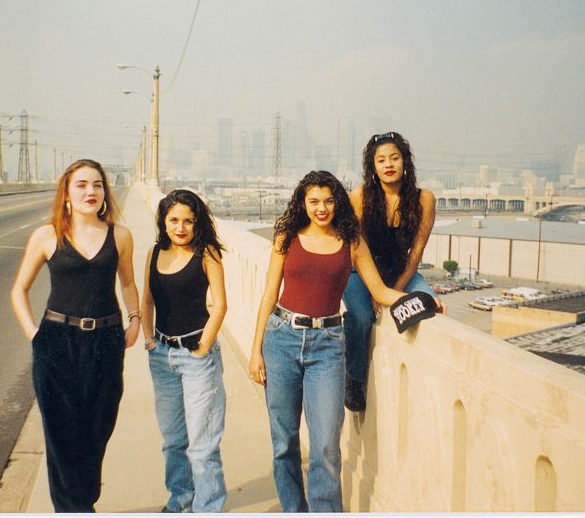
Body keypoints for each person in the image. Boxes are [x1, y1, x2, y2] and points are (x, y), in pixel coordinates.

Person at [248, 170, 410, 513]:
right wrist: (256, 350)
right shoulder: (286, 236)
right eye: (314, 201)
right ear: (302, 204)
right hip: (281, 340)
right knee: (284, 442)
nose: (322, 209)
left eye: (328, 201)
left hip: (328, 345)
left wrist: (423, 300)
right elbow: (268, 294)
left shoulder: (352, 240)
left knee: (325, 448)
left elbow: (379, 290)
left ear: (337, 202)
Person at [11, 158, 141, 512]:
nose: (90, 191)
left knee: (98, 430)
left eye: (97, 184)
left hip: (106, 342)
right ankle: (75, 509)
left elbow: (127, 283)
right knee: (60, 438)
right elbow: (19, 290)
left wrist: (135, 319)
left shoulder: (120, 235)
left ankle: (83, 501)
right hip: (57, 344)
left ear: (105, 192)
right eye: (81, 184)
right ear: (66, 193)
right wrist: (35, 336)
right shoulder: (47, 235)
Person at [140, 189, 228, 513]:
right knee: (173, 441)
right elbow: (147, 300)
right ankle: (180, 501)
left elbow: (220, 304)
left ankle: (208, 508)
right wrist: (149, 340)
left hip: (197, 359)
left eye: (188, 221)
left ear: (197, 223)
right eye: (174, 220)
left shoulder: (207, 254)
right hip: (162, 357)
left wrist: (203, 348)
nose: (181, 228)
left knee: (203, 445)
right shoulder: (153, 253)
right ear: (164, 221)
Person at [342, 131, 444, 412]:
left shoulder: (425, 199)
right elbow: (355, 250)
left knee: (430, 305)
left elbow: (417, 253)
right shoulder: (360, 197)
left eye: (394, 158)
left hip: (403, 272)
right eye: (381, 160)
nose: (388, 165)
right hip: (360, 274)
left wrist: (395, 290)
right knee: (362, 318)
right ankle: (354, 377)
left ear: (405, 162)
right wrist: (376, 289)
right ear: (372, 166)